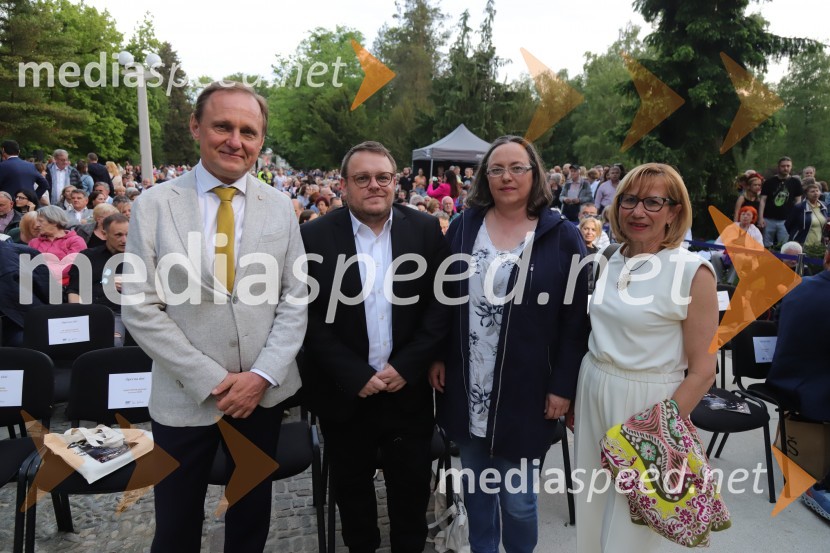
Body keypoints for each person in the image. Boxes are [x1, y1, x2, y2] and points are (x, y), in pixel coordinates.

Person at [121, 81, 307, 553]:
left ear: (260, 141)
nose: (235, 140)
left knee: (250, 520)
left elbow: (295, 298)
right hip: (184, 396)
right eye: (223, 126)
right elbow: (140, 306)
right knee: (176, 525)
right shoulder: (154, 206)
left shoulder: (280, 207)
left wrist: (262, 375)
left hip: (260, 395)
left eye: (248, 131)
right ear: (196, 128)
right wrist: (212, 379)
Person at [430, 136, 589, 553]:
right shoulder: (465, 227)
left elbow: (575, 322)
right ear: (485, 177)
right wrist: (438, 356)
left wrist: (563, 386)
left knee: (518, 502)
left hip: (527, 391)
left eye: (517, 167)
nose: (506, 176)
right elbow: (442, 298)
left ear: (535, 174)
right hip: (468, 385)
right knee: (478, 495)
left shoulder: (564, 236)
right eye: (496, 169)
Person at [300, 140, 449, 553]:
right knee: (353, 495)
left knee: (411, 492)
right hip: (346, 394)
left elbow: (441, 306)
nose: (374, 186)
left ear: (395, 182)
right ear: (344, 184)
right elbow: (304, 316)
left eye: (383, 177)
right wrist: (354, 374)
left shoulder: (423, 230)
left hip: (408, 390)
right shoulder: (313, 237)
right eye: (362, 178)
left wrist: (408, 366)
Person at [574, 163, 718, 553]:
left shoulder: (693, 271)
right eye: (630, 200)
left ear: (675, 211)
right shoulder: (608, 257)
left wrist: (655, 432)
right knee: (591, 504)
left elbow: (704, 370)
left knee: (633, 523)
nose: (639, 212)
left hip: (649, 404)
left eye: (654, 202)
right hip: (594, 387)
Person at [766, 241, 830, 520]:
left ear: (826, 257)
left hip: (785, 383)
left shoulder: (798, 286)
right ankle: (822, 488)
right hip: (815, 394)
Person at [67, 213, 130, 346]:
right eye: (118, 235)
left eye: (128, 235)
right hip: (91, 310)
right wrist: (79, 315)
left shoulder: (141, 258)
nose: (124, 240)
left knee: (113, 342)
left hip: (124, 312)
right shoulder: (88, 257)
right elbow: (73, 290)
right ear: (104, 234)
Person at [28, 205, 87, 286]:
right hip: (36, 284)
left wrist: (41, 274)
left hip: (65, 287)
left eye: (40, 221)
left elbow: (70, 267)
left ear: (54, 222)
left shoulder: (75, 241)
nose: (36, 225)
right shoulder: (34, 242)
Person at [760, 156, 802, 247]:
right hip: (768, 219)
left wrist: (796, 218)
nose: (785, 168)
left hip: (786, 220)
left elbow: (798, 201)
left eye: (788, 166)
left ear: (791, 167)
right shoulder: (769, 182)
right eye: (783, 166)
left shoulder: (795, 182)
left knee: (784, 246)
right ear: (778, 167)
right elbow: (763, 200)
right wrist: (760, 217)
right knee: (766, 245)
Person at [786, 181, 827, 247]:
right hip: (802, 244)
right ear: (806, 194)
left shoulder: (823, 206)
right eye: (812, 191)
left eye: (817, 191)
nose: (815, 193)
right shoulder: (799, 207)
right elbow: (788, 224)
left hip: (819, 244)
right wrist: (795, 235)